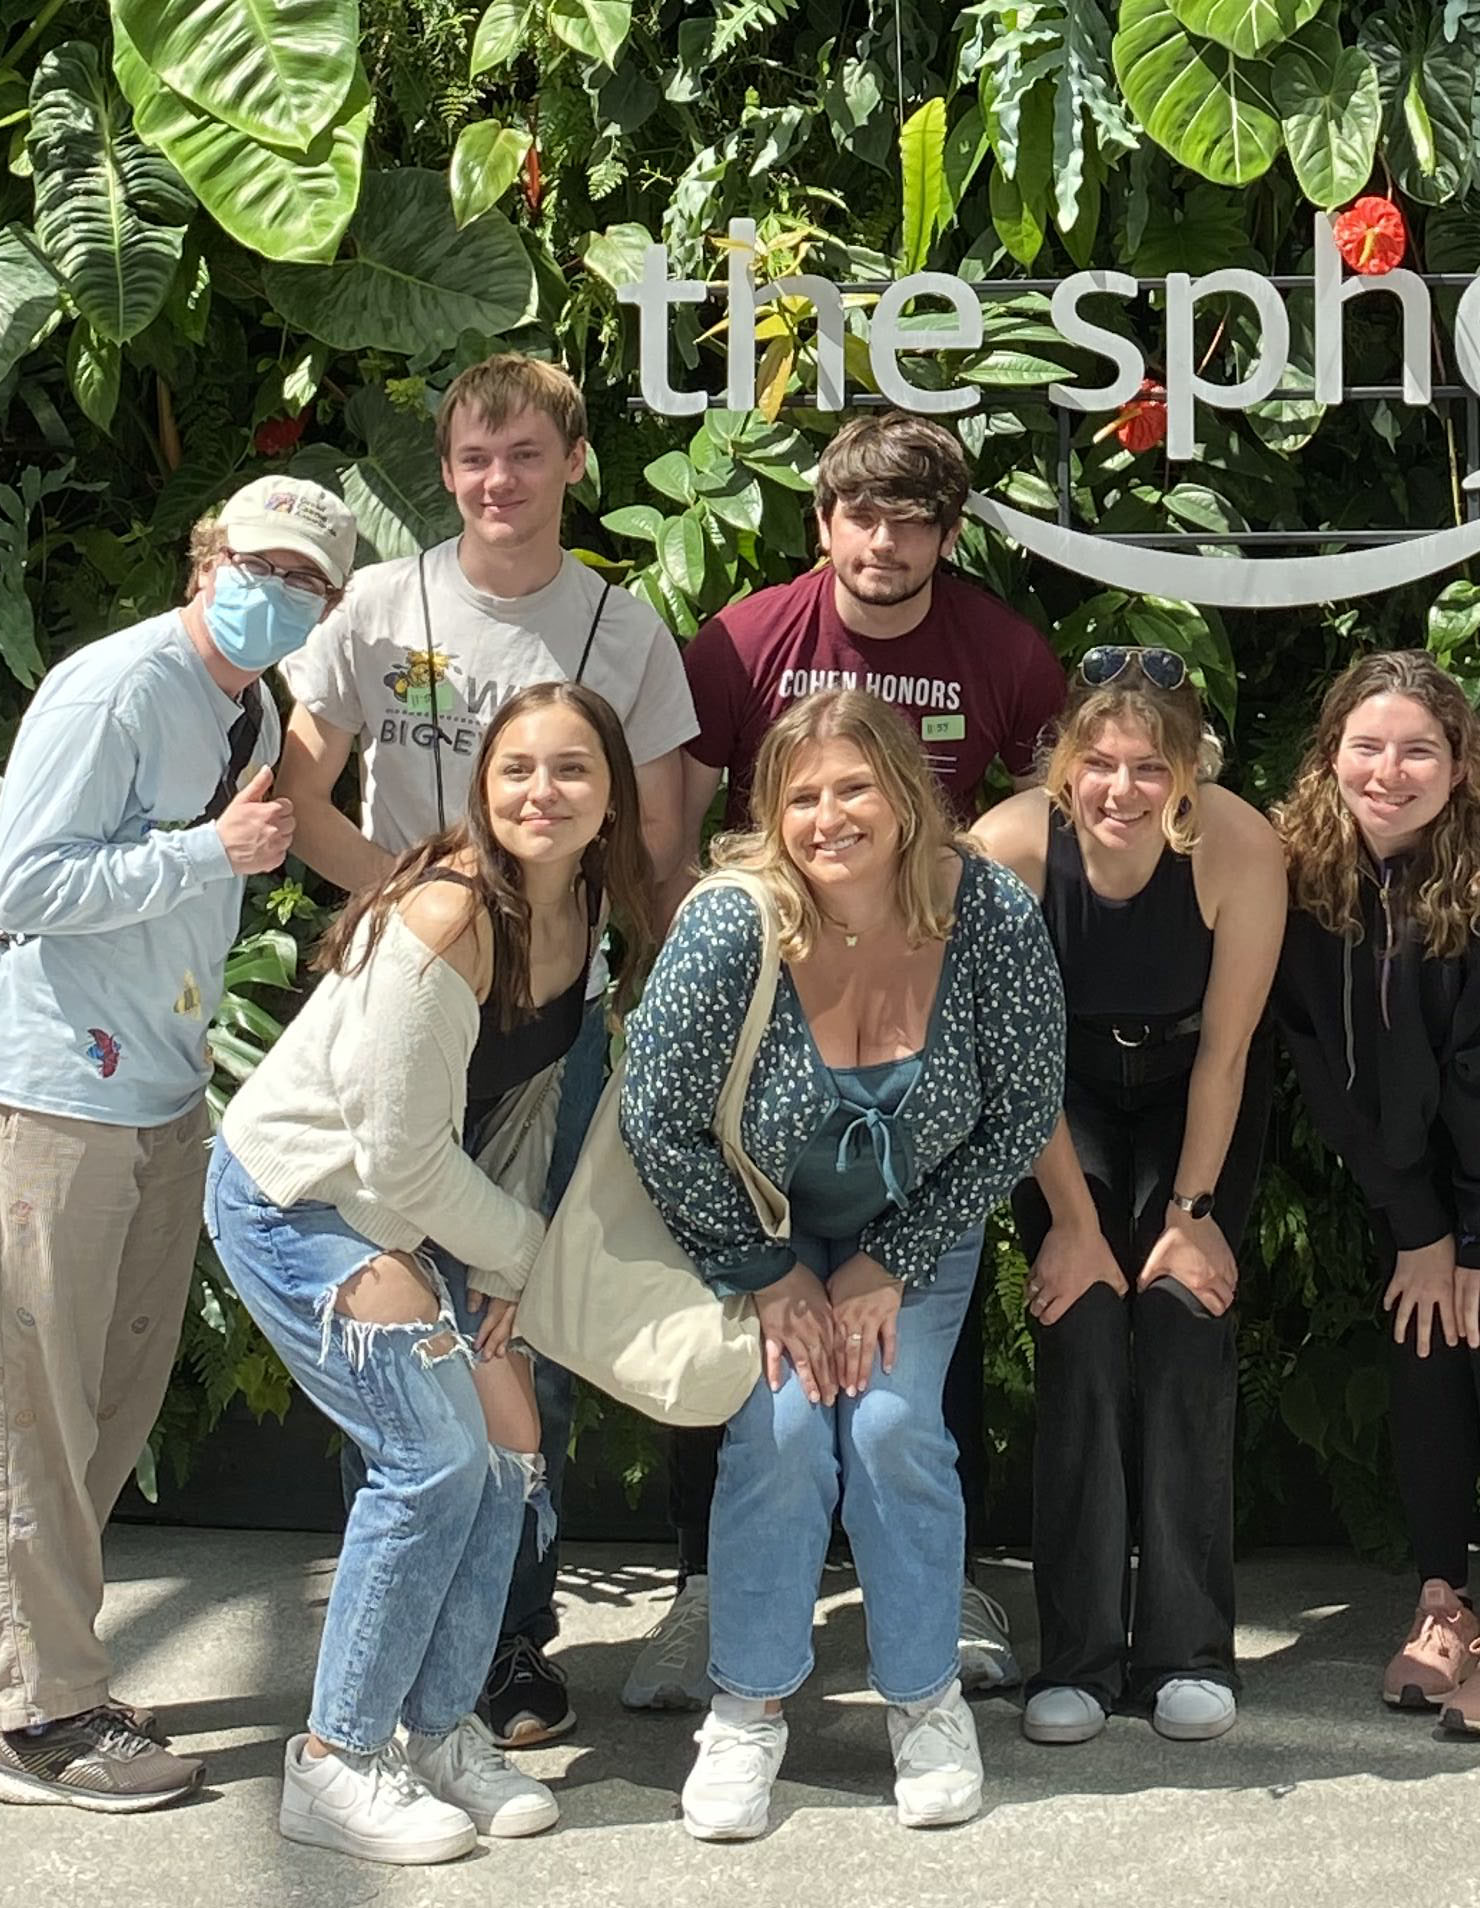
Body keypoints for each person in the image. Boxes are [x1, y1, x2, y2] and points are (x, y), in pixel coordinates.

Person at [276, 351, 701, 1745]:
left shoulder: (618, 629)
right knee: (395, 1325)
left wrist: (651, 1005)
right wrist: (403, 904)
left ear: (575, 465)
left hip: (550, 1026)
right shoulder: (376, 607)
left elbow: (656, 847)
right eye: (471, 458)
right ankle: (394, 1644)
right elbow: (297, 787)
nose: (495, 482)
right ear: (444, 471)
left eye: (524, 455)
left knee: (529, 1313)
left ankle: (512, 1639)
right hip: (402, 1007)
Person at [630, 408, 1068, 1711]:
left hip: (929, 1011)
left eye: (913, 520)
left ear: (948, 532)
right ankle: (708, 1586)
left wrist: (978, 924)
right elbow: (675, 825)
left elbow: (1058, 804)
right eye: (860, 516)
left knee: (915, 1363)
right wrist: (698, 986)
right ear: (824, 523)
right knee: (735, 1362)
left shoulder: (1000, 649)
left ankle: (941, 1584)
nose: (884, 543)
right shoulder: (749, 639)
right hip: (766, 1011)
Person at [0, 475, 347, 1812]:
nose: (276, 592)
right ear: (207, 557)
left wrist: (220, 870)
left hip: (156, 1092)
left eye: (308, 583)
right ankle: (44, 1724)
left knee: (108, 1394)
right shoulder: (116, 689)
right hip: (38, 1093)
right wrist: (208, 853)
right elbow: (31, 883)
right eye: (259, 563)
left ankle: (15, 1662)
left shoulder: (254, 706)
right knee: (25, 1407)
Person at [206, 682, 659, 1863]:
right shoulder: (451, 914)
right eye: (516, 769)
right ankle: (334, 1760)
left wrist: (501, 1289)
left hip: (424, 1219)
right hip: (305, 1198)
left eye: (572, 769)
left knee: (511, 1458)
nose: (540, 793)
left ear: (613, 794)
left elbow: (522, 1104)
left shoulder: (587, 909)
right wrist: (521, 1257)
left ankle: (444, 1727)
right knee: (431, 1459)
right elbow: (398, 1155)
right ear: (482, 784)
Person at [622, 689, 1064, 1837]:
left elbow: (1020, 1110)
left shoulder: (992, 915)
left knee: (889, 1426)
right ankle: (749, 1705)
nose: (831, 816)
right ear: (771, 813)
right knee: (773, 1429)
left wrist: (888, 1260)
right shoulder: (731, 924)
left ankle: (922, 1702)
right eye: (802, 795)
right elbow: (660, 1118)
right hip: (759, 1223)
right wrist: (767, 1274)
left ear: (907, 795)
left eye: (854, 786)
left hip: (917, 1218)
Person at [968, 647, 1287, 1747]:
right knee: (1086, 1321)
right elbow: (1011, 1055)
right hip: (1060, 1095)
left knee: (1183, 1315)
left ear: (1189, 774)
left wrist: (1190, 1216)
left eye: (1150, 767)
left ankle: (1189, 1650)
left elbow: (1231, 1055)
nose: (1121, 788)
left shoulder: (1239, 848)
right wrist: (1071, 1220)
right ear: (1061, 763)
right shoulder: (1007, 849)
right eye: (1097, 761)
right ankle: (1080, 1658)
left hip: (1194, 1090)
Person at [1270, 650, 1480, 1736]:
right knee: (1418, 1347)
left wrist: (1478, 1235)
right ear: (1331, 757)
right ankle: (1442, 1597)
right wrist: (1416, 1227)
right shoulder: (1309, 872)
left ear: (1459, 764)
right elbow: (1320, 1057)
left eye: (1418, 750)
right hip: (1411, 1177)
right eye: (1367, 747)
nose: (1390, 772)